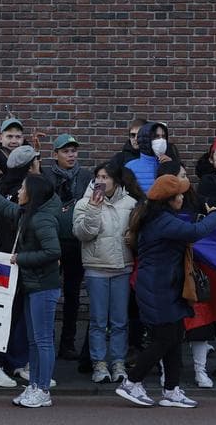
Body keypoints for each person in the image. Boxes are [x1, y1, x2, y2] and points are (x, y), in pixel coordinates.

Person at [114, 174, 216, 409]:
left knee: (173, 337)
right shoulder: (162, 221)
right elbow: (196, 232)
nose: (182, 198)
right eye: (179, 195)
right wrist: (215, 215)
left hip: (163, 286)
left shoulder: (158, 217)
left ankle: (172, 390)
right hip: (157, 288)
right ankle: (131, 382)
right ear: (168, 200)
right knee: (165, 339)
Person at [0, 164, 62, 408]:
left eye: (23, 188)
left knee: (43, 341)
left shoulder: (42, 220)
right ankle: (34, 386)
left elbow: (53, 251)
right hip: (33, 286)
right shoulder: (26, 213)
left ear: (32, 194)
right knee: (34, 341)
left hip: (44, 287)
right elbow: (4, 206)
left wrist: (20, 258)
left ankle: (43, 390)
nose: (19, 191)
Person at [72, 163, 137, 384]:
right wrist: (93, 208)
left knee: (120, 321)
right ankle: (99, 363)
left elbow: (139, 231)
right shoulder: (84, 203)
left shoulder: (130, 203)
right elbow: (82, 233)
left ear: (116, 181)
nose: (101, 181)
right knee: (98, 321)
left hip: (122, 267)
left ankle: (118, 362)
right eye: (98, 176)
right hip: (96, 268)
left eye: (106, 177)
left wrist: (133, 237)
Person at [45, 134, 86, 362]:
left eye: (73, 151)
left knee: (73, 294)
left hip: (75, 242)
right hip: (52, 242)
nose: (71, 155)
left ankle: (68, 343)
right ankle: (47, 341)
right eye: (66, 151)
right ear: (56, 154)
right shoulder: (46, 175)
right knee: (49, 293)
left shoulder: (86, 177)